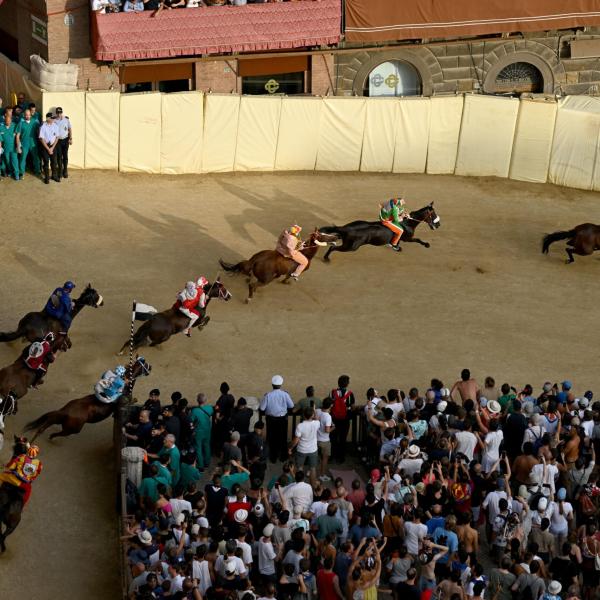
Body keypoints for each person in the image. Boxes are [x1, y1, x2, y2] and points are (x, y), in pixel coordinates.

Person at [260, 375, 293, 463]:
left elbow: (262, 408)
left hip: (271, 420)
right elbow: (291, 405)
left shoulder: (268, 395)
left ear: (272, 384)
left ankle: (273, 458)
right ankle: (282, 457)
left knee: (272, 438)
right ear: (281, 384)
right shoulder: (285, 394)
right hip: (282, 420)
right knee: (282, 438)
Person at [330, 375, 355, 464]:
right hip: (345, 419)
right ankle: (341, 458)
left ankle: (332, 456)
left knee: (333, 438)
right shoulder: (350, 394)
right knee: (343, 438)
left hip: (334, 419)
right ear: (347, 384)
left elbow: (330, 404)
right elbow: (352, 407)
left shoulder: (332, 392)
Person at [190, 393, 213, 471]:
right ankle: (207, 463)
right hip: (207, 431)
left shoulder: (194, 411)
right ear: (205, 400)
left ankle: (200, 465)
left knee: (198, 448)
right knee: (207, 446)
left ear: (197, 400)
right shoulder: (210, 408)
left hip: (199, 432)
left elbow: (191, 421)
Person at [15, 107, 40, 179]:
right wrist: (18, 146)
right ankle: (21, 173)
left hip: (33, 143)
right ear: (23, 115)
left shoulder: (35, 122)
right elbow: (17, 135)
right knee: (23, 159)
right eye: (26, 115)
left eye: (28, 115)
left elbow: (39, 133)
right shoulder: (21, 123)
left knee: (36, 158)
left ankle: (37, 171)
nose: (27, 116)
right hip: (24, 144)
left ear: (30, 115)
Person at [38, 111, 59, 183]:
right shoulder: (43, 127)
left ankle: (54, 176)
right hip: (45, 146)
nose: (53, 119)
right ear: (47, 118)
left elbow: (57, 137)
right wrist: (48, 148)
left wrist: (52, 148)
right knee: (46, 162)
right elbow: (41, 139)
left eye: (54, 118)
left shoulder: (55, 126)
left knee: (54, 162)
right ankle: (47, 177)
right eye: (52, 118)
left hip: (53, 146)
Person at [0, 108, 20, 180]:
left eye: (9, 121)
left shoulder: (14, 126)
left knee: (15, 161)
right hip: (6, 149)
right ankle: (11, 172)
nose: (8, 122)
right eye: (6, 121)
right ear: (4, 120)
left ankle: (17, 174)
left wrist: (18, 146)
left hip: (13, 148)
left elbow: (18, 136)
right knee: (8, 161)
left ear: (11, 120)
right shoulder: (1, 127)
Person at [54, 107, 71, 179]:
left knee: (65, 156)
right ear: (56, 113)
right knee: (59, 157)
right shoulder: (54, 121)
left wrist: (70, 138)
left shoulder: (66, 120)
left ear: (62, 112)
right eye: (57, 113)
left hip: (65, 139)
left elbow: (70, 129)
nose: (59, 114)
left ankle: (65, 171)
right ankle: (60, 171)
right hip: (58, 141)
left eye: (60, 112)